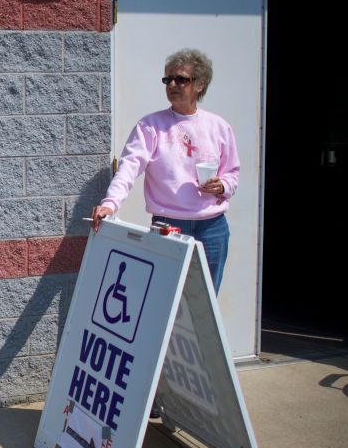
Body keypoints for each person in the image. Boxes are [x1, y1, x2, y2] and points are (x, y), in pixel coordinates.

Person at [90, 48, 239, 294]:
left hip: (212, 228)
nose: (172, 84)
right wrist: (110, 203)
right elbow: (129, 166)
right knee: (164, 300)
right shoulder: (150, 126)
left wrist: (222, 186)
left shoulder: (219, 127)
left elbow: (232, 174)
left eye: (181, 79)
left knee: (205, 303)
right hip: (168, 225)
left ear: (200, 84)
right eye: (168, 79)